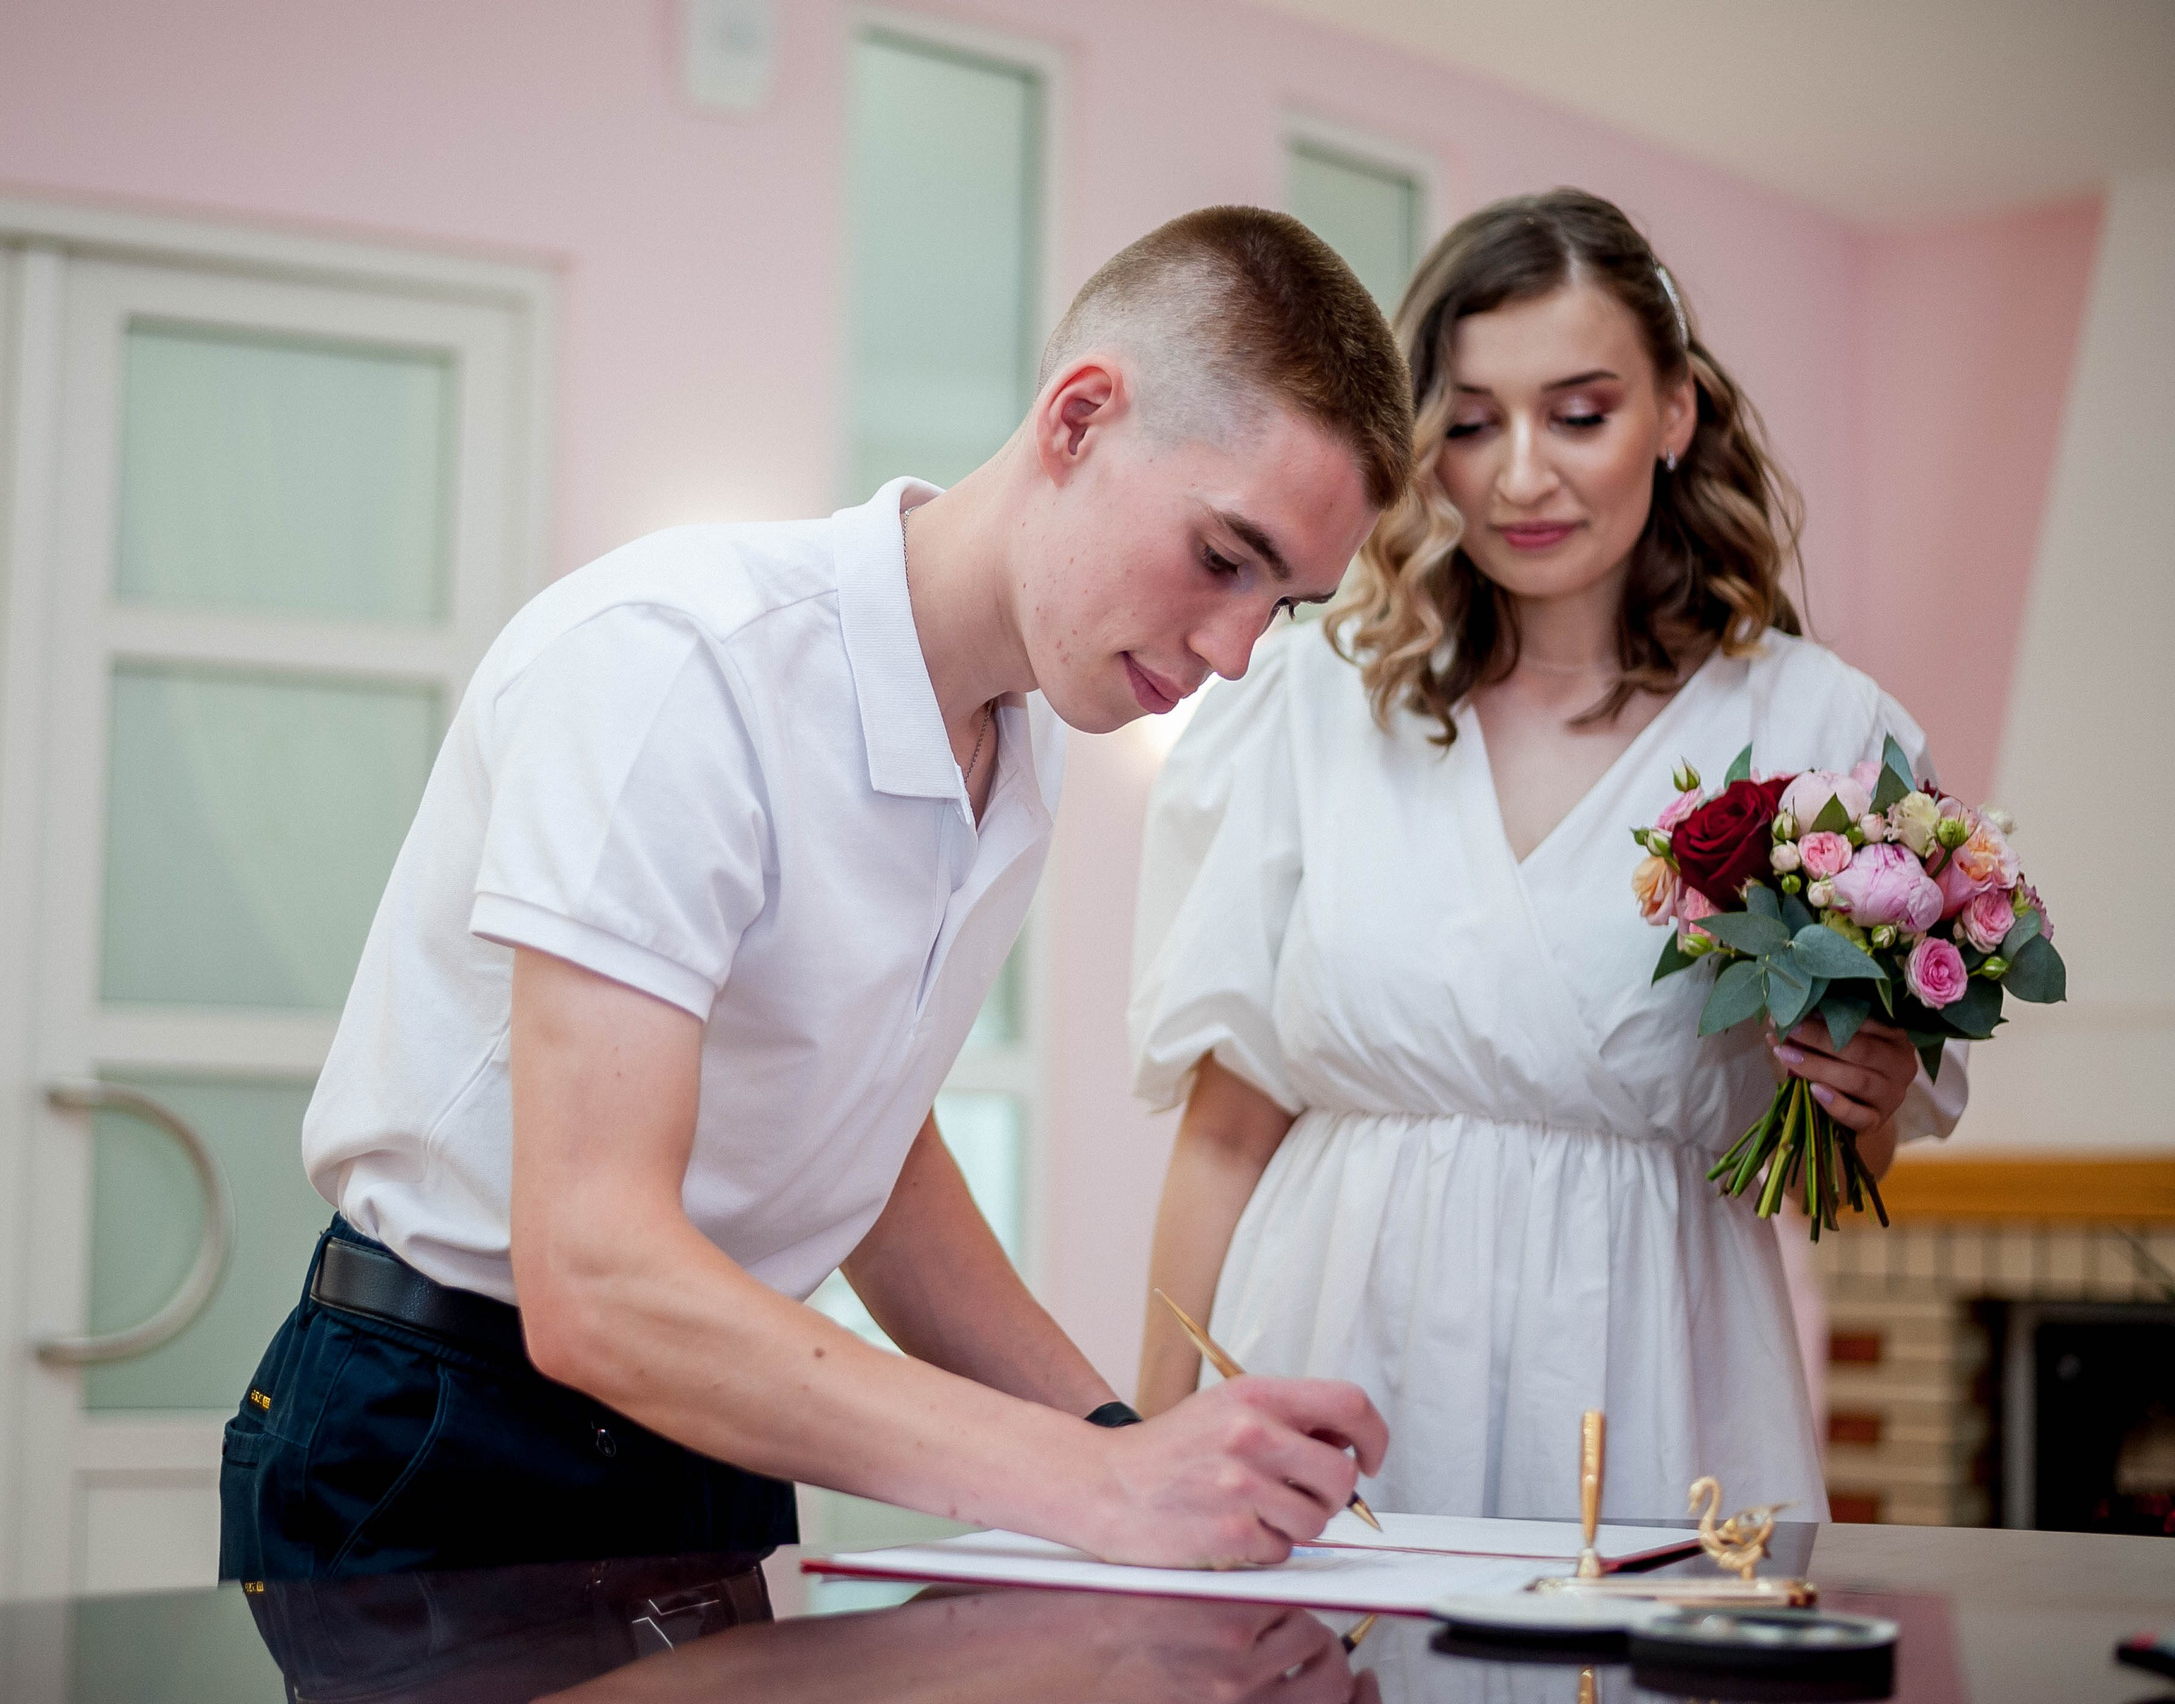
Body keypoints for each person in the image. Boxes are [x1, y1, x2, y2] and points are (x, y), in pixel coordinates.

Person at [219, 207, 1410, 1579]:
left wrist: (1120, 1436)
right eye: (1223, 557)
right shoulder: (679, 664)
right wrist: (1091, 1481)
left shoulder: (1022, 746)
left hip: (706, 1427)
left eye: (1288, 603)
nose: (1240, 652)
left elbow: (870, 1153)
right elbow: (594, 1278)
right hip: (438, 1426)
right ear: (1079, 418)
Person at [1130, 190, 1968, 1520]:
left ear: (1675, 411)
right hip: (1332, 1340)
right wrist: (1148, 1444)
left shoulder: (1814, 729)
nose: (1521, 473)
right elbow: (1227, 1138)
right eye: (1468, 422)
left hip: (1655, 1370)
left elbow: (1839, 1170)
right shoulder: (1310, 702)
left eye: (1580, 412)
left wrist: (1864, 1095)